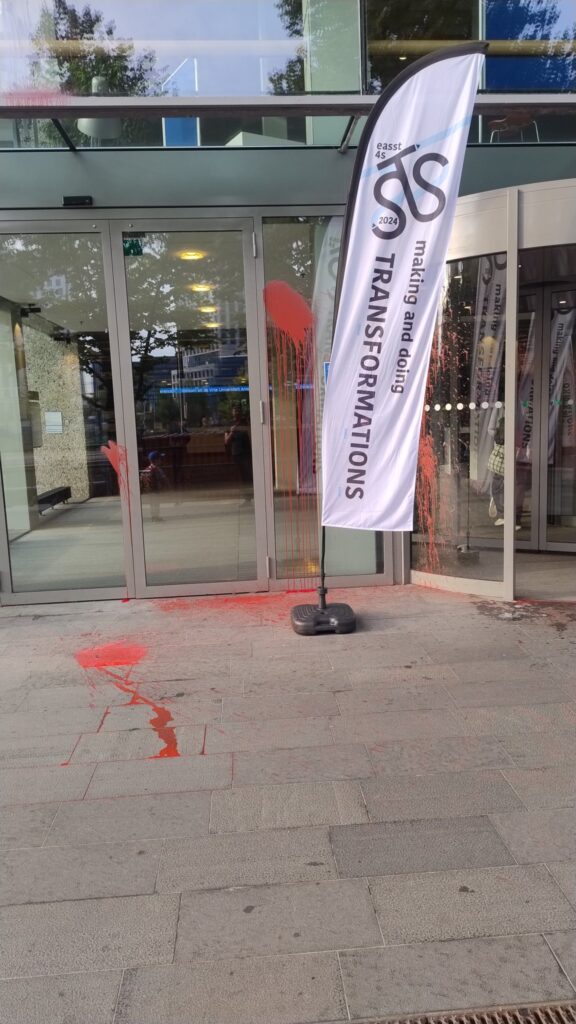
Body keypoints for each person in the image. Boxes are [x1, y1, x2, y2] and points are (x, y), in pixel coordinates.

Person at [224, 408, 253, 504]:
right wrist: (232, 432)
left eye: (238, 411)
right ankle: (246, 498)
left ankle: (252, 497)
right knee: (241, 476)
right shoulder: (229, 425)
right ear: (232, 413)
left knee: (249, 475)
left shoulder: (245, 423)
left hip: (247, 453)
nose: (236, 413)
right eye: (235, 411)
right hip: (237, 454)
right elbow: (226, 441)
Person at [140, 450, 168, 522]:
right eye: (160, 459)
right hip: (155, 490)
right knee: (156, 504)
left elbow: (142, 480)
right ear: (156, 460)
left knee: (152, 504)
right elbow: (163, 479)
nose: (161, 460)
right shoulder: (157, 469)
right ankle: (156, 517)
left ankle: (153, 516)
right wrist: (165, 486)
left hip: (149, 491)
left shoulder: (147, 469)